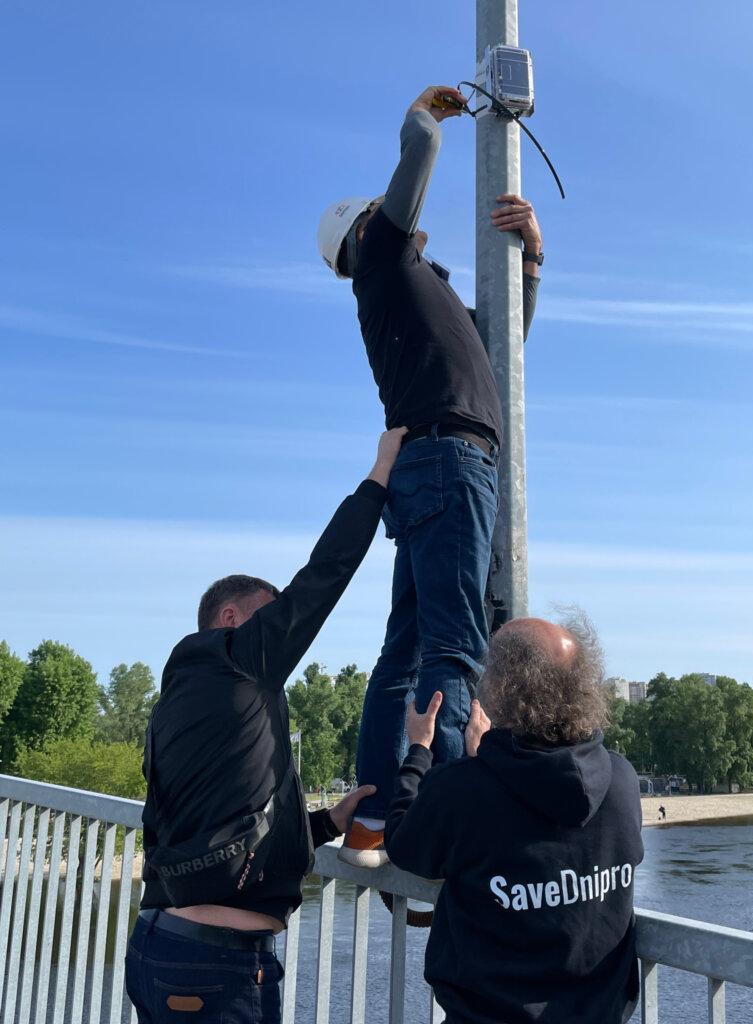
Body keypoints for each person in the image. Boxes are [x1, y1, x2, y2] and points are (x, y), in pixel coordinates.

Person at [317, 85, 543, 866]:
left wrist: (531, 258)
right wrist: (421, 115)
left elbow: (503, 347)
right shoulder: (381, 260)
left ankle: (376, 820)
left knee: (406, 649)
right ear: (364, 230)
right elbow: (421, 152)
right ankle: (443, 824)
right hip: (450, 462)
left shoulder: (420, 293)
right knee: (454, 643)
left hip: (430, 466)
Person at [125, 428, 405, 1024]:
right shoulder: (235, 659)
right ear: (230, 618)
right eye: (268, 616)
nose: (280, 631)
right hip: (214, 969)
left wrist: (326, 823)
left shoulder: (185, 700)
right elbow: (324, 575)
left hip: (165, 948)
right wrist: (379, 476)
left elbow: (222, 822)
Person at [385, 614, 644, 1024]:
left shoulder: (462, 789)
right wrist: (488, 760)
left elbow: (404, 846)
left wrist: (419, 751)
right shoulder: (621, 780)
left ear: (501, 687)